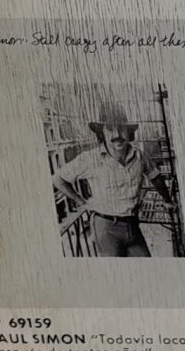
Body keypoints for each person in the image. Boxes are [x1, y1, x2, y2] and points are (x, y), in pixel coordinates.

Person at [53, 100, 151, 256]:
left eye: (121, 128)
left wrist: (167, 200)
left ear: (128, 132)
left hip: (132, 225)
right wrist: (82, 202)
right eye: (110, 129)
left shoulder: (139, 156)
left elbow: (155, 176)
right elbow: (58, 179)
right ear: (102, 134)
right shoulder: (90, 158)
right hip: (106, 227)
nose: (117, 135)